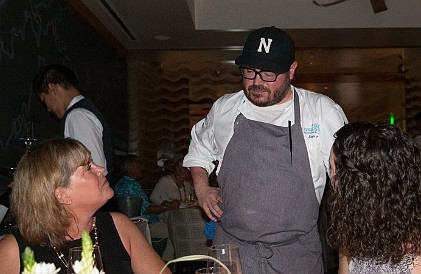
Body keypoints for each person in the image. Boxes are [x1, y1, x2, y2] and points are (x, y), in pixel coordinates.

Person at [183, 26, 348, 273]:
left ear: (292, 70)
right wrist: (201, 187)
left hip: (296, 255)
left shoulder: (322, 112)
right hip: (232, 250)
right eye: (249, 71)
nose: (257, 82)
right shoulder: (226, 108)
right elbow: (200, 146)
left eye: (268, 73)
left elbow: (348, 179)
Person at [0, 138, 171, 274]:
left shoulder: (119, 226)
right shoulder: (13, 250)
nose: (101, 169)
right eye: (88, 167)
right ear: (62, 194)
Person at [327, 122, 421, 274]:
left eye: (332, 169)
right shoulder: (352, 234)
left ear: (355, 186)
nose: (331, 179)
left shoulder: (415, 257)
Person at [32, 64, 114, 178]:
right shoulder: (82, 111)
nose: (48, 108)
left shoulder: (77, 116)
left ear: (52, 88)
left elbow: (94, 171)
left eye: (44, 100)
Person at [114, 154, 180, 258]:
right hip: (143, 225)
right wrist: (168, 207)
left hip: (130, 224)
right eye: (139, 165)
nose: (142, 168)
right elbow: (144, 209)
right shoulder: (131, 185)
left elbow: (141, 206)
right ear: (130, 167)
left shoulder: (121, 183)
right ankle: (165, 264)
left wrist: (160, 206)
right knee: (175, 230)